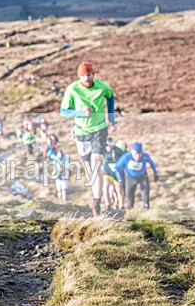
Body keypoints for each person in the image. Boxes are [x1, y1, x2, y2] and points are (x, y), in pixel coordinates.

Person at [60, 61, 117, 216]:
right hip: (81, 132)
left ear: (93, 74)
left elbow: (111, 98)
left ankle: (97, 204)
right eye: (84, 75)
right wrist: (79, 112)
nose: (87, 78)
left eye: (89, 74)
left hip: (99, 129)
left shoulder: (102, 87)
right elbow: (64, 111)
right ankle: (95, 199)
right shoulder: (72, 89)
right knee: (91, 171)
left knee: (97, 165)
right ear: (79, 76)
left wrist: (111, 119)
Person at [114, 141, 159, 210]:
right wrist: (120, 179)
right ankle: (130, 210)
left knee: (145, 193)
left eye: (139, 154)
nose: (137, 156)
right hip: (130, 177)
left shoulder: (145, 156)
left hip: (142, 177)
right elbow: (117, 167)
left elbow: (152, 164)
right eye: (135, 154)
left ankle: (146, 209)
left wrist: (155, 173)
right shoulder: (126, 157)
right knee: (129, 195)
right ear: (132, 152)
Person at [102, 139, 126, 210]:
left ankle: (121, 206)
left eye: (110, 146)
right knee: (105, 186)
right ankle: (108, 205)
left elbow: (124, 158)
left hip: (117, 172)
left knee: (118, 189)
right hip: (107, 171)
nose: (108, 147)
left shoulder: (118, 151)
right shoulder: (103, 151)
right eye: (107, 146)